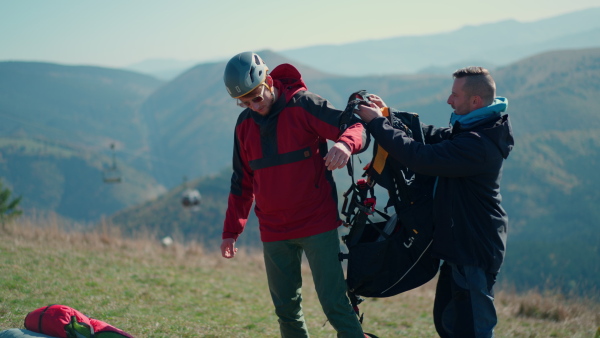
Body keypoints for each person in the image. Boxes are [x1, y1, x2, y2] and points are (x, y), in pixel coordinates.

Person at [355, 66, 514, 337]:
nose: (449, 100)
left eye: (454, 95)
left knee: (472, 329)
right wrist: (388, 115)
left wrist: (377, 125)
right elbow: (428, 136)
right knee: (449, 324)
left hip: (474, 250)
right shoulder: (473, 128)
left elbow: (421, 157)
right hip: (459, 248)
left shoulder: (478, 144)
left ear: (475, 101)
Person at [220, 51, 368, 338]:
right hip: (274, 231)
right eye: (245, 101)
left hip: (317, 225)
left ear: (269, 81)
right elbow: (242, 183)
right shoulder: (244, 125)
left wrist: (346, 145)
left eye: (257, 96)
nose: (253, 105)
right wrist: (231, 231)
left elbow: (355, 126)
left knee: (335, 304)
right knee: (286, 310)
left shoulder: (304, 105)